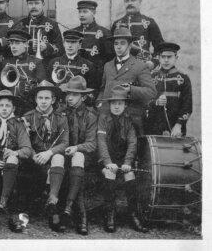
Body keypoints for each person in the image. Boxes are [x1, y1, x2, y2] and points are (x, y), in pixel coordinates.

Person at [97, 85, 148, 233]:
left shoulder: (129, 121)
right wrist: (107, 162)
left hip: (123, 158)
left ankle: (133, 215)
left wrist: (127, 163)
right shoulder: (103, 119)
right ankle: (110, 214)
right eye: (114, 103)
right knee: (110, 173)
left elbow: (132, 143)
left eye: (120, 103)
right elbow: (101, 142)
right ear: (110, 104)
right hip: (106, 158)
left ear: (125, 105)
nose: (117, 107)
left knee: (130, 175)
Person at [20, 81, 69, 231]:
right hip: (32, 159)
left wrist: (49, 153)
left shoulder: (61, 118)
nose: (43, 101)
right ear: (35, 99)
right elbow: (24, 141)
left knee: (59, 157)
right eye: (40, 98)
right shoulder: (27, 117)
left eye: (47, 98)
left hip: (51, 158)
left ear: (53, 100)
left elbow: (64, 143)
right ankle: (23, 216)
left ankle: (52, 202)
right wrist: (34, 154)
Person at [97, 27, 157, 135]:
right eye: (116, 43)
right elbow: (102, 88)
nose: (119, 47)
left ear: (129, 46)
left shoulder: (140, 66)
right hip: (107, 118)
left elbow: (151, 92)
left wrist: (129, 89)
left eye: (122, 43)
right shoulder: (108, 66)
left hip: (130, 118)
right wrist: (100, 104)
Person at [56, 76, 97, 235]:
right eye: (68, 94)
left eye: (74, 95)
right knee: (69, 171)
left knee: (77, 159)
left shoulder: (91, 116)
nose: (70, 98)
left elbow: (92, 144)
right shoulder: (60, 113)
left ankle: (71, 212)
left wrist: (77, 148)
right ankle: (77, 215)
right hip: (64, 154)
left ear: (84, 97)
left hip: (84, 156)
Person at [0, 90, 32, 214]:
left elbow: (27, 149)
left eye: (8, 106)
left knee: (12, 159)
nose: (4, 109)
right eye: (1, 105)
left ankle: (3, 201)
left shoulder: (18, 123)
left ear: (13, 108)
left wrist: (15, 153)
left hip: (11, 157)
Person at [145, 42, 192, 136]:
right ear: (158, 58)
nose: (166, 60)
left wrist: (179, 125)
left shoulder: (183, 78)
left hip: (175, 128)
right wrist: (156, 102)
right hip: (153, 126)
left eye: (169, 57)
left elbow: (187, 105)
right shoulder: (150, 77)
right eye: (163, 57)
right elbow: (144, 101)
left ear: (176, 58)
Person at [111, 0, 164, 68]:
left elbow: (160, 47)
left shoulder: (149, 22)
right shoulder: (117, 24)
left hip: (143, 65)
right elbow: (110, 48)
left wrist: (153, 62)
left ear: (140, 1)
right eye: (127, 1)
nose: (130, 3)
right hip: (121, 66)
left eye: (133, 0)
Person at [1, 29, 46, 114]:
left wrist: (32, 88)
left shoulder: (36, 62)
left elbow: (43, 86)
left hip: (29, 107)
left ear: (26, 44)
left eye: (17, 43)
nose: (13, 46)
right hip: (8, 107)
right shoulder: (6, 62)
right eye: (11, 43)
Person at [15, 0, 64, 67]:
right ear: (27, 5)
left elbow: (61, 49)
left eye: (37, 3)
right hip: (24, 66)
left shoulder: (52, 24)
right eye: (30, 3)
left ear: (43, 4)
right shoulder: (20, 24)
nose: (33, 6)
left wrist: (47, 47)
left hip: (45, 65)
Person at [48, 30, 97, 104]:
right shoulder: (53, 62)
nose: (70, 45)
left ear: (79, 44)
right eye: (67, 42)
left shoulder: (88, 65)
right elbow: (49, 86)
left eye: (73, 42)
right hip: (57, 104)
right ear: (64, 43)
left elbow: (91, 90)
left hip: (78, 103)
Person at [72, 0, 114, 86]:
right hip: (75, 73)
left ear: (93, 12)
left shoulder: (104, 33)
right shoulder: (73, 32)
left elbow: (109, 57)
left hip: (95, 75)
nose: (81, 15)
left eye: (85, 11)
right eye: (79, 12)